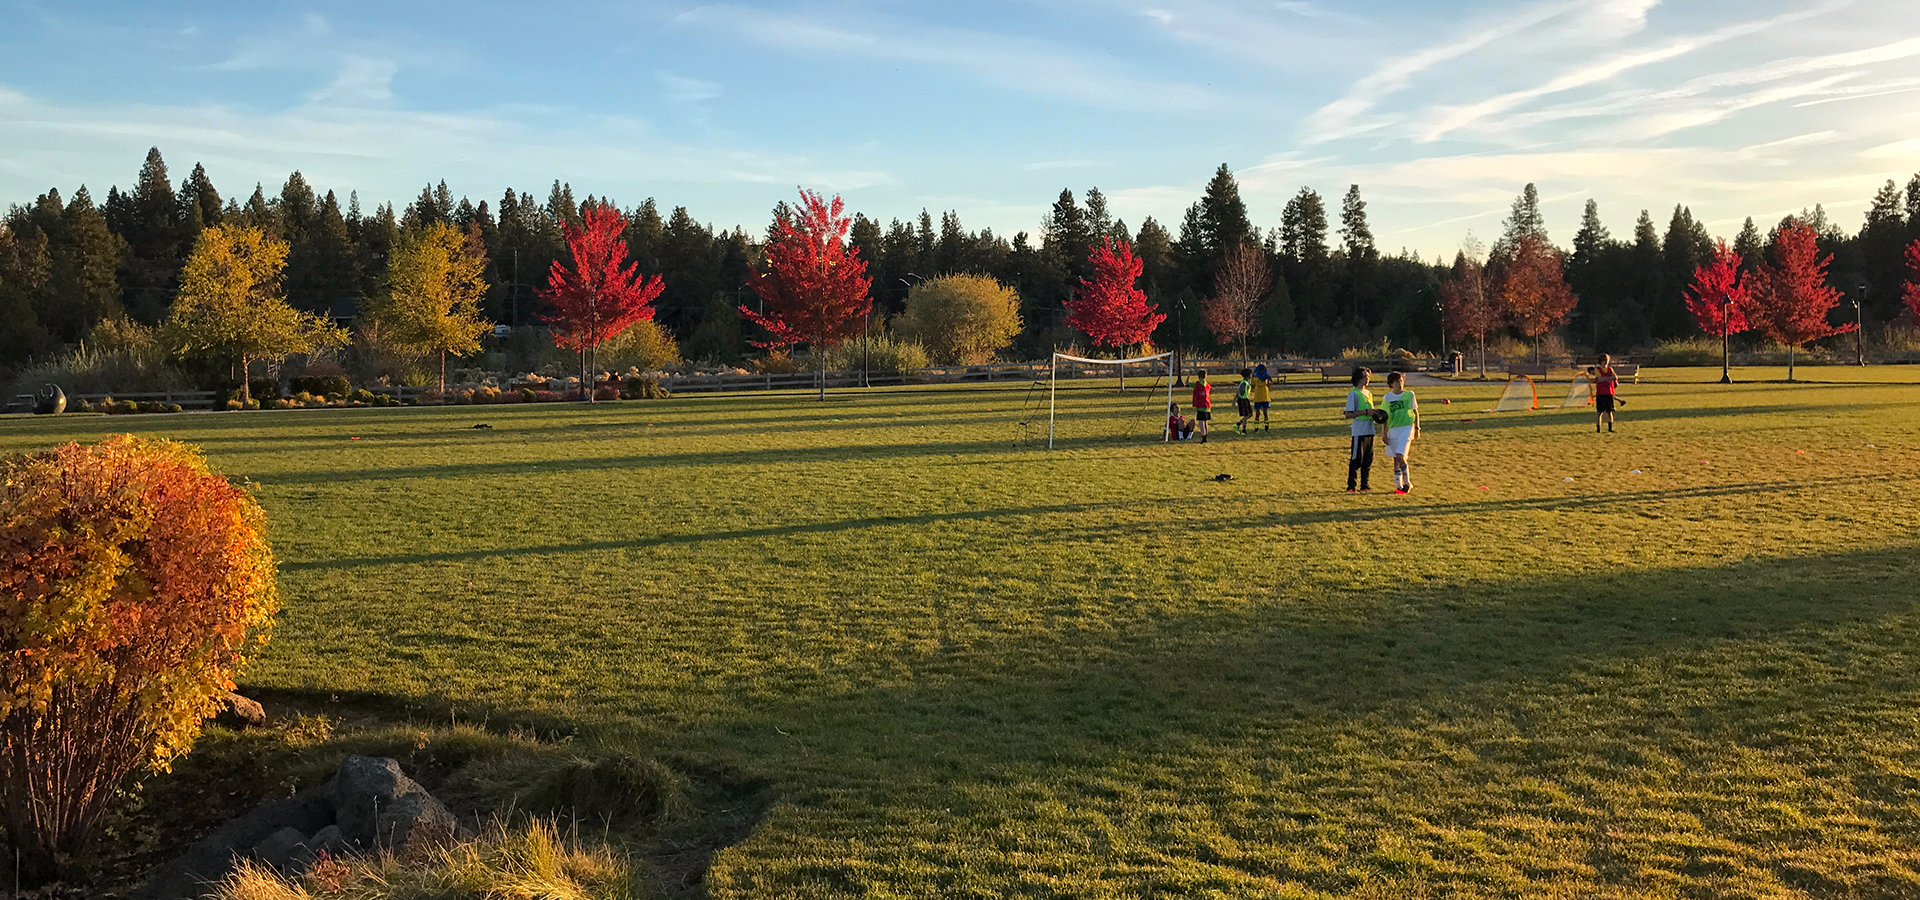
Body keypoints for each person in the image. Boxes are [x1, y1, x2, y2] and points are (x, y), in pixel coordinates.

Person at [1381, 371, 1420, 494]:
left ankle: (1408, 483)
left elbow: (1415, 412)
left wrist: (1417, 428)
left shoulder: (1410, 395)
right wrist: (1384, 433)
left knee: (1400, 456)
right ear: (1391, 384)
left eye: (1401, 381)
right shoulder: (1387, 398)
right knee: (1395, 460)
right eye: (1397, 381)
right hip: (1393, 429)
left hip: (1406, 428)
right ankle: (1399, 486)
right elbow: (1384, 416)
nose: (1400, 384)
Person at [1342, 367, 1377, 492]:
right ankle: (1351, 486)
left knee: (1368, 460)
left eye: (1368, 377)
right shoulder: (1353, 393)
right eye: (1365, 377)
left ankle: (1364, 485)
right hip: (1359, 431)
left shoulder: (1368, 393)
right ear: (1359, 378)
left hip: (1370, 430)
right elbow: (1348, 414)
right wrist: (1365, 412)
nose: (1367, 379)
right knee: (1356, 459)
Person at [1594, 354, 1621, 433]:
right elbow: (1599, 379)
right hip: (1600, 393)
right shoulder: (1597, 370)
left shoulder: (1610, 369)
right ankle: (1598, 428)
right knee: (1600, 412)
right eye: (1604, 361)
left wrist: (1607, 378)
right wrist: (1609, 378)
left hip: (1609, 392)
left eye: (1607, 360)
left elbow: (1615, 377)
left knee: (1609, 411)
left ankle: (1610, 428)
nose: (1606, 362)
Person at [1190, 369, 1212, 443]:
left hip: (1201, 405)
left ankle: (1204, 437)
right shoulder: (1208, 385)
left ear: (1199, 377)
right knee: (1205, 422)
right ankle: (1206, 435)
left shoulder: (1197, 385)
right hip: (1207, 405)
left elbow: (1186, 383)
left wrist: (1189, 374)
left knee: (1201, 422)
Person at [1251, 363, 1273, 431]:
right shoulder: (1255, 377)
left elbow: (1269, 384)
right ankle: (1256, 427)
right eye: (1261, 370)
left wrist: (1269, 382)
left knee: (1265, 413)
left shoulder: (1266, 376)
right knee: (1257, 413)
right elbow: (1252, 385)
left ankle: (1266, 426)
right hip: (1258, 397)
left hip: (1265, 396)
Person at [1234, 368, 1255, 434]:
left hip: (1246, 399)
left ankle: (1238, 424)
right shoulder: (1244, 383)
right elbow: (1238, 391)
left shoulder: (1248, 381)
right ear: (1248, 375)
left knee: (1250, 414)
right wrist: (1234, 400)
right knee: (1246, 414)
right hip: (1242, 399)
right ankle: (1244, 429)